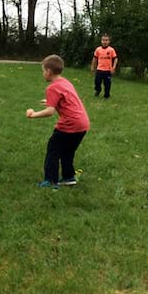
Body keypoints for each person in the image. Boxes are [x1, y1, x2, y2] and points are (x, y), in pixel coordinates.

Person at [26, 55, 90, 188]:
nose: (43, 73)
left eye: (43, 70)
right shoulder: (65, 82)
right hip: (82, 124)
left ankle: (50, 181)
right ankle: (69, 177)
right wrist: (51, 102)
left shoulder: (51, 88)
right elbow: (67, 99)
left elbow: (50, 112)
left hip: (69, 124)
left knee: (53, 149)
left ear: (48, 71)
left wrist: (33, 115)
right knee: (67, 151)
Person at [91, 34, 118, 99]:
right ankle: (98, 90)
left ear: (109, 41)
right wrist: (92, 67)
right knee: (97, 82)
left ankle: (106, 95)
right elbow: (95, 58)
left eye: (106, 40)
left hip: (108, 70)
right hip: (99, 69)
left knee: (107, 84)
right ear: (101, 41)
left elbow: (116, 59)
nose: (104, 42)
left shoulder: (111, 50)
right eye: (103, 40)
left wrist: (114, 67)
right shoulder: (98, 49)